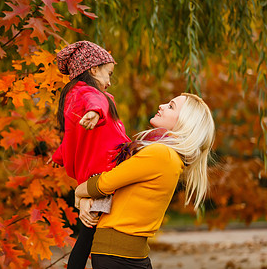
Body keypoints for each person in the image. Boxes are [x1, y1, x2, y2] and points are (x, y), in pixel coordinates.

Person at [75, 93, 215, 269]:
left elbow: (104, 183)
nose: (162, 105)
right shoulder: (169, 156)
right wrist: (86, 198)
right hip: (121, 254)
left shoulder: (162, 154)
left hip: (120, 256)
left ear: (185, 123)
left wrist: (78, 193)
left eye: (171, 106)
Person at [50, 41, 131, 269]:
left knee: (88, 234)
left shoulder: (76, 97)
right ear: (93, 69)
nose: (109, 81)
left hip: (101, 171)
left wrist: (57, 156)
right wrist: (95, 112)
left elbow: (71, 139)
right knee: (88, 234)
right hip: (103, 173)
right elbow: (94, 102)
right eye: (108, 74)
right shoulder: (85, 93)